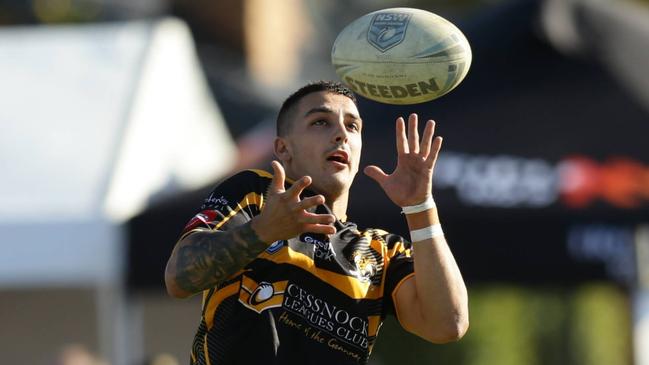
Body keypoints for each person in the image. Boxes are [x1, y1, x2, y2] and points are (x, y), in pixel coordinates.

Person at [164, 81, 468, 365]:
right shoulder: (257, 194)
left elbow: (447, 325)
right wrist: (265, 230)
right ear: (283, 149)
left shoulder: (381, 250)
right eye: (321, 122)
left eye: (352, 126)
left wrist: (420, 207)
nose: (341, 135)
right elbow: (179, 278)